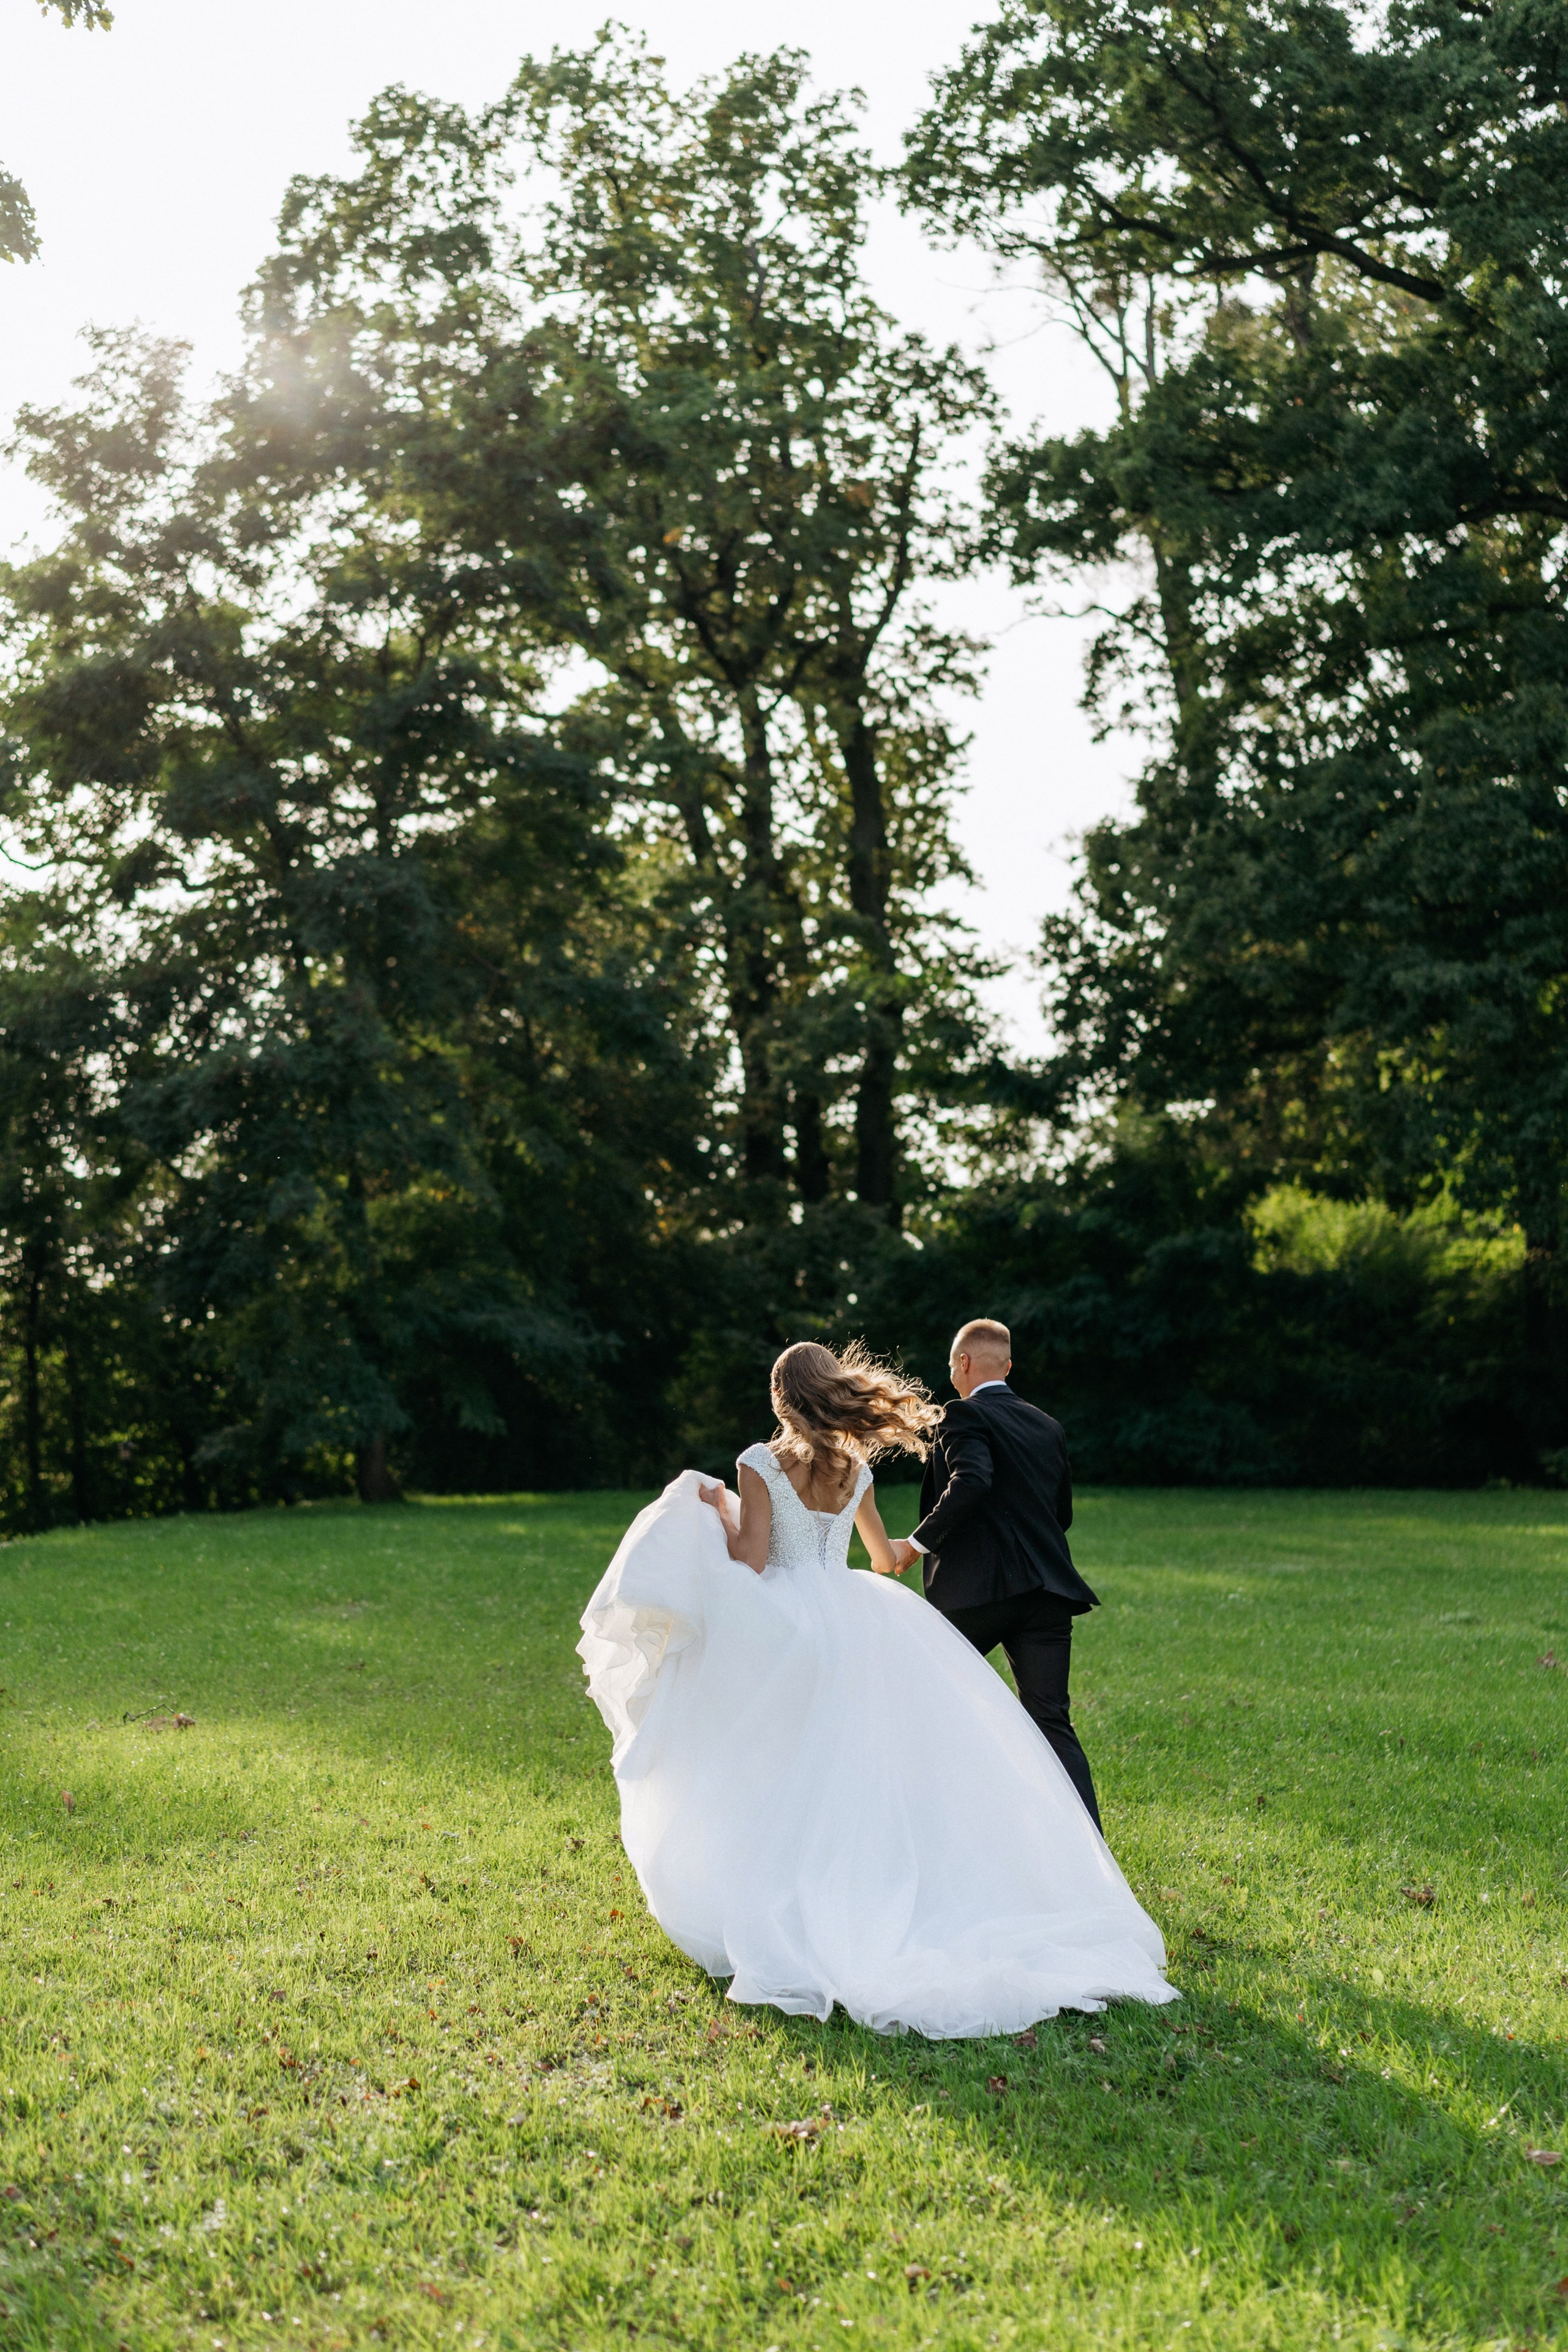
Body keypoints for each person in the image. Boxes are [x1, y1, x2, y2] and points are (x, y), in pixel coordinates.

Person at [578, 1340, 1173, 2038]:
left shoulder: (759, 1464)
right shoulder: (855, 1469)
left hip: (790, 1627)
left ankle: (797, 1897)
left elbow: (754, 1558)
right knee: (861, 1764)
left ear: (780, 1400)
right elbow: (884, 1560)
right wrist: (917, 1549)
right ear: (831, 1393)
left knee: (783, 1764)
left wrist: (712, 1504)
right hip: (857, 1618)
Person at [889, 1318, 1102, 1826]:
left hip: (978, 1596)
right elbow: (1061, 1515)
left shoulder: (961, 1413)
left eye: (950, 1365)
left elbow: (974, 1480)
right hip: (1048, 1592)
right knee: (1051, 1720)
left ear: (963, 1363)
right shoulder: (1048, 1425)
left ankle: (934, 1826)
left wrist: (916, 1545)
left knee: (920, 1699)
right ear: (1007, 1367)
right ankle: (1090, 1848)